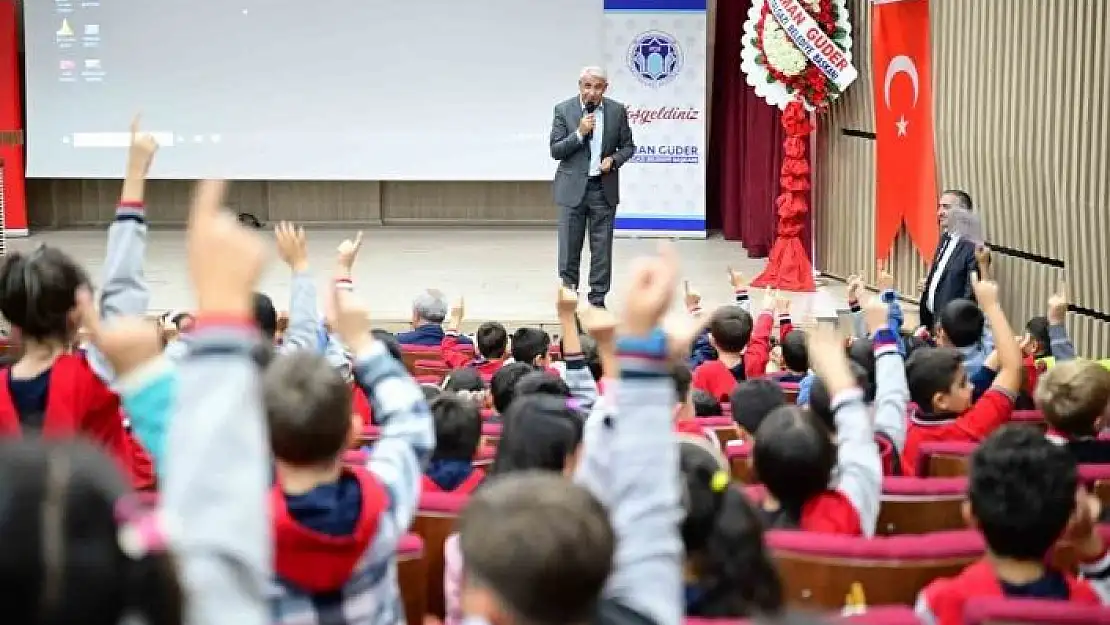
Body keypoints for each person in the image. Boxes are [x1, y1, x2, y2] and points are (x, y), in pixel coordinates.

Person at [550, 66, 636, 309]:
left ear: (605, 88)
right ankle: (569, 295)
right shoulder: (563, 110)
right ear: (580, 86)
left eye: (597, 87)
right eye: (587, 86)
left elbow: (628, 146)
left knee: (601, 249)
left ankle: (597, 299)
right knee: (569, 247)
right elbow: (555, 150)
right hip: (572, 189)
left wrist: (614, 160)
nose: (592, 92)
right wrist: (579, 133)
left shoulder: (617, 111)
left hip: (602, 188)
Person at [919, 189, 980, 331]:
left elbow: (970, 296)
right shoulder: (945, 238)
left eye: (946, 207)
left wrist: (952, 329)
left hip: (950, 331)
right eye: (939, 207)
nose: (939, 213)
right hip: (931, 325)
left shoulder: (975, 248)